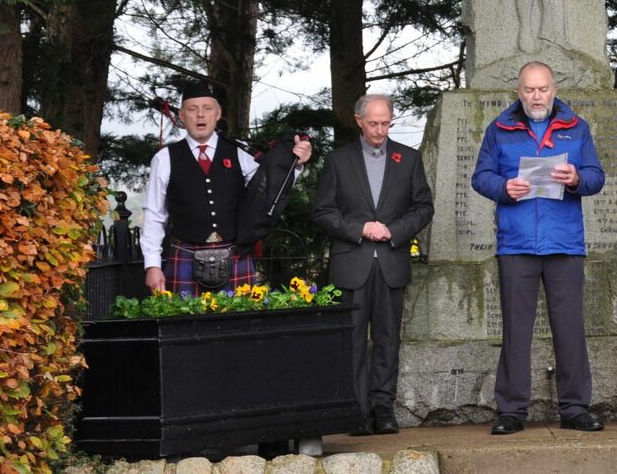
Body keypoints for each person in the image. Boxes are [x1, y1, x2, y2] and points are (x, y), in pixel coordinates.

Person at [471, 61, 606, 435]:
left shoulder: (577, 128)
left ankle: (575, 408)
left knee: (570, 329)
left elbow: (597, 176)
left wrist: (577, 177)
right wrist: (504, 188)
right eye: (529, 89)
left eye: (542, 89)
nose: (536, 96)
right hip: (516, 245)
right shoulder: (499, 129)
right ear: (519, 92)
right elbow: (481, 176)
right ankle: (512, 410)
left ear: (554, 89)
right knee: (516, 331)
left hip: (565, 244)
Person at [313, 94, 434, 435]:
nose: (380, 130)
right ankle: (356, 411)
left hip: (392, 263)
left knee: (387, 340)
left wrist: (394, 231)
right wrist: (360, 229)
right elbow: (322, 211)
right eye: (373, 123)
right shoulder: (338, 160)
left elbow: (424, 208)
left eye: (385, 123)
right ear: (358, 120)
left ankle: (383, 409)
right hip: (352, 263)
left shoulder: (408, 159)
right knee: (351, 340)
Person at [141, 81, 313, 295]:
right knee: (184, 327)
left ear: (218, 113)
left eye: (207, 108)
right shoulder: (164, 159)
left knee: (239, 328)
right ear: (182, 116)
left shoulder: (241, 153)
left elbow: (270, 188)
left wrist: (295, 164)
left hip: (235, 257)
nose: (200, 115)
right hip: (185, 256)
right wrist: (153, 265)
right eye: (192, 109)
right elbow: (154, 215)